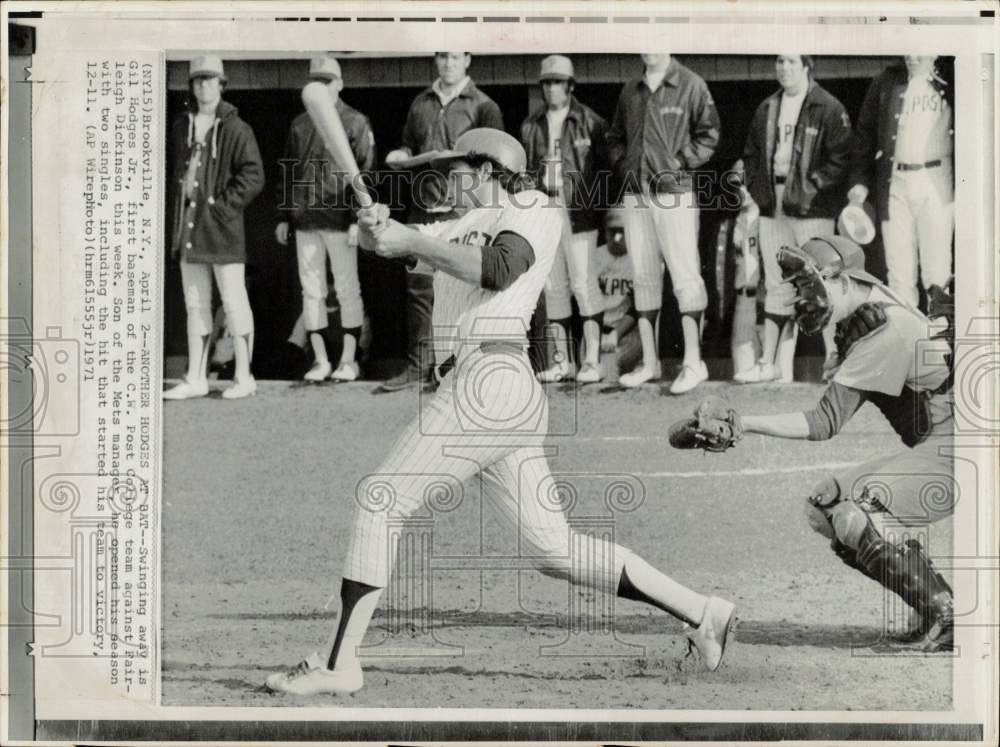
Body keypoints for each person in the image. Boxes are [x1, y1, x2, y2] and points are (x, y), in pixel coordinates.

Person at [264, 129, 736, 695]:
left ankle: (340, 664)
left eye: (458, 170)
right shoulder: (455, 224)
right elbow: (395, 246)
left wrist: (410, 235)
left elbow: (496, 267)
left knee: (379, 500)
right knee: (554, 549)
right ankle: (704, 612)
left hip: (490, 380)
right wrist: (376, 230)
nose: (447, 181)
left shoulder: (531, 206)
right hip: (483, 390)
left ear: (488, 169)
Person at [739, 235, 954, 651]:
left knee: (862, 509)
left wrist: (742, 422)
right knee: (825, 507)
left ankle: (946, 615)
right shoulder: (869, 307)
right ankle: (931, 609)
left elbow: (823, 423)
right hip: (944, 444)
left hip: (965, 452)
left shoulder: (882, 326)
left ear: (841, 280)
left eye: (808, 284)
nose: (803, 297)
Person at [381, 52, 504, 392]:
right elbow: (409, 143)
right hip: (424, 203)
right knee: (419, 288)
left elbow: (492, 160)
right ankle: (420, 366)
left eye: (454, 55)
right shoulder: (421, 102)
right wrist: (402, 156)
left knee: (460, 286)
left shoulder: (483, 105)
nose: (448, 62)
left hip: (462, 209)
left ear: (467, 59)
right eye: (442, 56)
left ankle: (458, 365)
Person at [606, 54, 720, 393]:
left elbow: (710, 134)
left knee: (685, 276)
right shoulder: (631, 90)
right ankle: (650, 362)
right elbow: (615, 137)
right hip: (636, 193)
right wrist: (625, 165)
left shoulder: (691, 84)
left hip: (674, 193)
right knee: (642, 275)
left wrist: (678, 163)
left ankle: (693, 362)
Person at [739, 55, 852, 383]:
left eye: (790, 60)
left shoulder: (828, 106)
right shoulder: (766, 108)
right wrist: (757, 190)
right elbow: (750, 155)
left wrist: (811, 187)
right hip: (773, 204)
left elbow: (841, 157)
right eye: (778, 60)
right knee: (776, 284)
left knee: (824, 285)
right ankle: (768, 363)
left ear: (806, 66)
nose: (783, 67)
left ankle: (835, 362)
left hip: (812, 209)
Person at [165, 54, 264, 400]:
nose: (204, 85)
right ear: (191, 85)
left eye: (210, 79)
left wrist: (220, 208)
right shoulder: (182, 126)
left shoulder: (237, 128)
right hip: (189, 231)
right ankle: (196, 377)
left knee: (234, 302)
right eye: (198, 79)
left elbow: (253, 176)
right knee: (196, 304)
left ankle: (244, 377)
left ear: (221, 84)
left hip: (221, 230)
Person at [276, 55, 374, 382]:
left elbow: (366, 174)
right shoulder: (299, 124)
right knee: (312, 291)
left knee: (347, 289)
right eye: (316, 81)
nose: (322, 87)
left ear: (340, 84)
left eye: (327, 81)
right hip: (305, 218)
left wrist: (355, 219)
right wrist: (284, 216)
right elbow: (288, 172)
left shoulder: (356, 121)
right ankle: (319, 360)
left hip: (339, 218)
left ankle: (349, 359)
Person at [520, 55, 610, 384]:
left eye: (558, 81)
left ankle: (591, 361)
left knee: (584, 284)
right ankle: (561, 362)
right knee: (553, 286)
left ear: (570, 85)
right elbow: (526, 172)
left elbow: (606, 171)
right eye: (547, 82)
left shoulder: (591, 122)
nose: (552, 88)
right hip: (546, 210)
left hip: (579, 212)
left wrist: (598, 209)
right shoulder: (531, 125)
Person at [850, 56, 954, 308]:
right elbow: (865, 133)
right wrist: (860, 179)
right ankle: (908, 344)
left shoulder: (951, 79)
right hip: (895, 180)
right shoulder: (886, 82)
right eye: (907, 48)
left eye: (919, 50)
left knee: (937, 272)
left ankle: (939, 345)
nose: (912, 56)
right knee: (899, 275)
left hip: (936, 179)